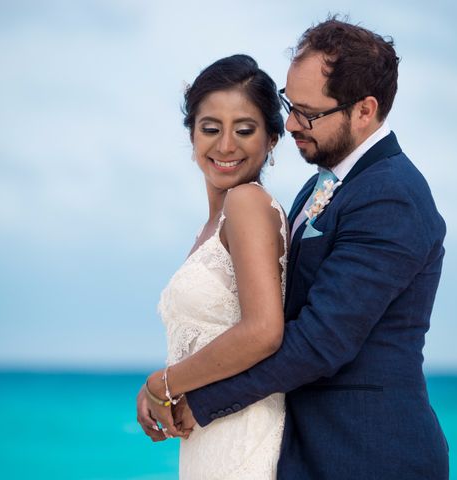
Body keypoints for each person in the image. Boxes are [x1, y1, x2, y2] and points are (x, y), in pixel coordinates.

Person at [143, 16, 450, 479]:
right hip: (302, 450)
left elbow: (320, 342)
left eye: (308, 112)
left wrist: (192, 396)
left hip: (368, 453)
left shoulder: (392, 195)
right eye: (290, 104)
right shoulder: (316, 189)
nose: (289, 123)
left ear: (364, 111)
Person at [136, 54, 288, 478]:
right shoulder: (214, 223)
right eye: (210, 129)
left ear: (272, 138)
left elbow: (263, 331)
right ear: (191, 135)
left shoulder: (247, 203)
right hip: (212, 435)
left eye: (244, 130)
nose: (225, 145)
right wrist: (162, 390)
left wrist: (164, 383)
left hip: (242, 439)